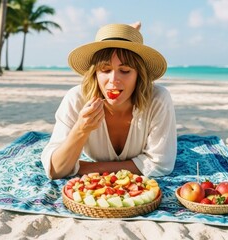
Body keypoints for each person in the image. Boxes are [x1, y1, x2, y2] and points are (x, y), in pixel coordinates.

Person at [41, 22, 177, 179]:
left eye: (125, 71)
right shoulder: (76, 99)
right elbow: (55, 170)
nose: (114, 80)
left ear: (139, 75)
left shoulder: (158, 99)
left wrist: (88, 167)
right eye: (105, 70)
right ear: (95, 74)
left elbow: (161, 165)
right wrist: (80, 129)